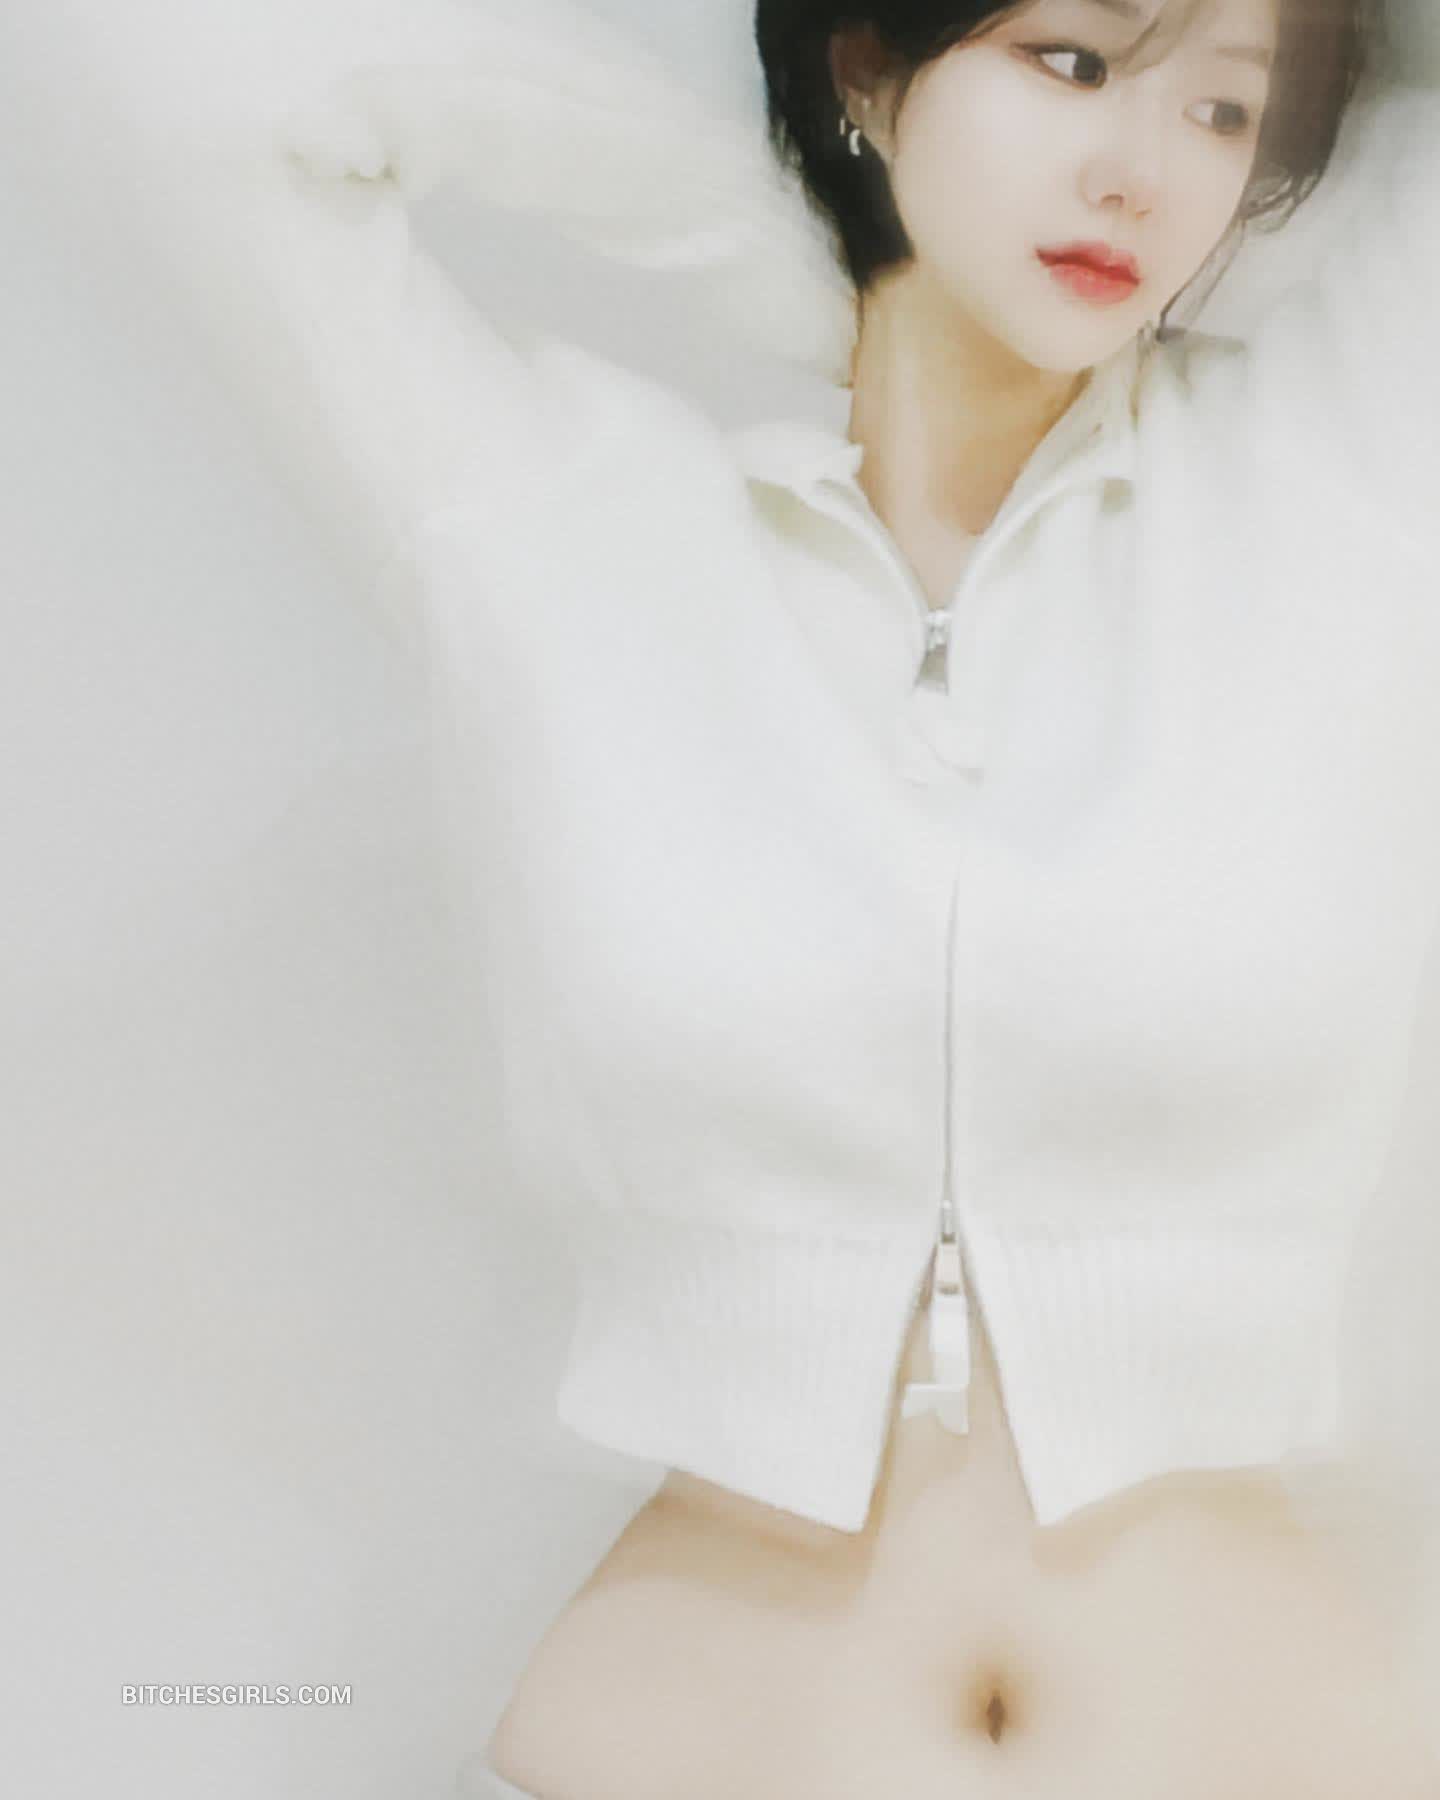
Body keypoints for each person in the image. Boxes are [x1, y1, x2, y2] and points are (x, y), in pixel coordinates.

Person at [110, 0, 1440, 1793]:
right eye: (1071, 63)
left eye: (1222, 112)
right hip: (687, 1744)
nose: (1141, 170)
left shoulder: (1343, 503)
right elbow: (201, 91)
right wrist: (769, 221)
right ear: (871, 59)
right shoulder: (573, 531)